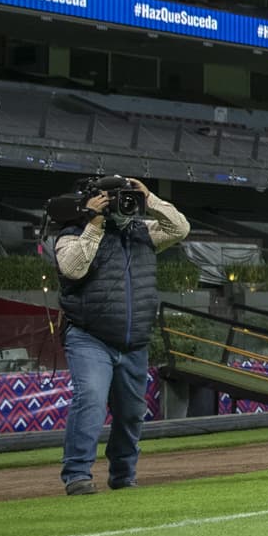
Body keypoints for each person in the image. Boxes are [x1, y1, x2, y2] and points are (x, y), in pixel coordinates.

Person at [53, 177, 189, 495]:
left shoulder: (141, 233)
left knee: (130, 413)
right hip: (89, 336)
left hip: (134, 341)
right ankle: (77, 475)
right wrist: (94, 222)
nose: (122, 204)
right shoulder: (72, 233)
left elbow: (180, 229)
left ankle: (123, 475)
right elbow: (71, 269)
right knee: (90, 401)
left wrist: (149, 198)